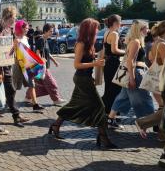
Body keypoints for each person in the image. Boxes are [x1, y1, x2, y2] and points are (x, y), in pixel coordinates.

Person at [50, 18, 116, 149]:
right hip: (82, 79)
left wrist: (99, 59)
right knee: (100, 107)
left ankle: (56, 125)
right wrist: (95, 63)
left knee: (74, 105)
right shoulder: (81, 43)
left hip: (85, 78)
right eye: (96, 28)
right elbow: (77, 65)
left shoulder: (89, 43)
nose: (98, 30)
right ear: (90, 29)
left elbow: (88, 61)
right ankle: (103, 137)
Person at [108, 20, 155, 120]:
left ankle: (110, 119)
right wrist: (132, 78)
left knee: (122, 98)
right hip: (136, 73)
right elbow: (130, 61)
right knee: (145, 99)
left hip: (135, 72)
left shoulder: (135, 41)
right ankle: (148, 122)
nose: (148, 30)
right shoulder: (136, 42)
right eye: (146, 28)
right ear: (140, 29)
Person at [134, 20, 165, 139]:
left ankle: (162, 134)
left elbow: (150, 58)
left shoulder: (157, 42)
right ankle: (143, 123)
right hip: (164, 81)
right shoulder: (163, 44)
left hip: (160, 80)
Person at [1, 8, 29, 127]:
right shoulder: (0, 29)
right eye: (14, 16)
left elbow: (10, 50)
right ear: (9, 16)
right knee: (9, 90)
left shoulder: (9, 30)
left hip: (7, 62)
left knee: (8, 90)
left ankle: (14, 115)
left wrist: (15, 45)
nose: (15, 19)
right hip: (0, 64)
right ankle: (15, 116)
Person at [27, 23, 66, 105]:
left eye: (52, 31)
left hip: (44, 66)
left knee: (39, 85)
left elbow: (48, 53)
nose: (52, 33)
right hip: (42, 67)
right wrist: (41, 61)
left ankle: (28, 97)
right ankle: (56, 99)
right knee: (52, 84)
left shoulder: (45, 40)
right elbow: (37, 52)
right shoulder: (41, 40)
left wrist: (54, 61)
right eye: (50, 31)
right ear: (45, 31)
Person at [15, 20, 45, 111]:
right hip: (18, 65)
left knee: (32, 84)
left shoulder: (25, 38)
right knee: (15, 85)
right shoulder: (16, 39)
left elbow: (28, 52)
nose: (28, 29)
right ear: (21, 28)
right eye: (26, 28)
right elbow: (14, 52)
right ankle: (9, 103)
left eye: (28, 28)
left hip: (27, 64)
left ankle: (35, 104)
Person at [101, 15, 125, 127]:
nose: (121, 24)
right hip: (114, 64)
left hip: (108, 64)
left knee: (109, 89)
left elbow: (105, 50)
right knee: (115, 90)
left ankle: (107, 114)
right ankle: (111, 117)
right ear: (115, 23)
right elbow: (114, 50)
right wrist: (126, 51)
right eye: (120, 22)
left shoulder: (106, 32)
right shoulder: (114, 34)